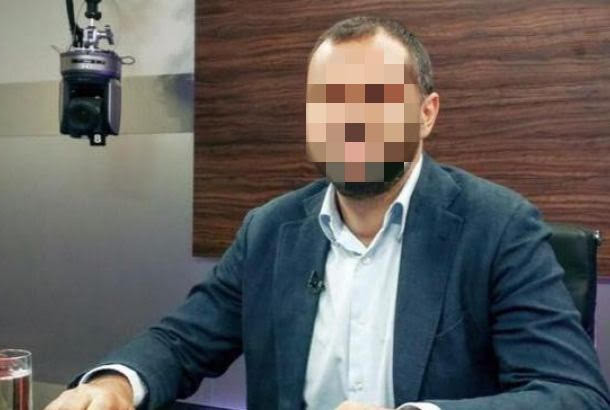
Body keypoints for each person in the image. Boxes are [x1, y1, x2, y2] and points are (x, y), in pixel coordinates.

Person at [45, 16, 610, 410]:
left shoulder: (499, 226)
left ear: (427, 113)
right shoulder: (269, 231)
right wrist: (116, 384)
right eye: (329, 100)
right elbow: (180, 342)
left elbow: (573, 394)